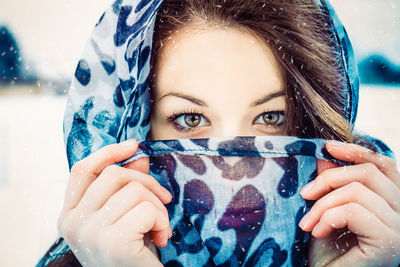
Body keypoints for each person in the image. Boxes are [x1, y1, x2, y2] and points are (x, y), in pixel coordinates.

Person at [36, 0, 400, 266]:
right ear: (128, 131)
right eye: (191, 120)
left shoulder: (377, 248)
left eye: (272, 116)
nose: (236, 168)